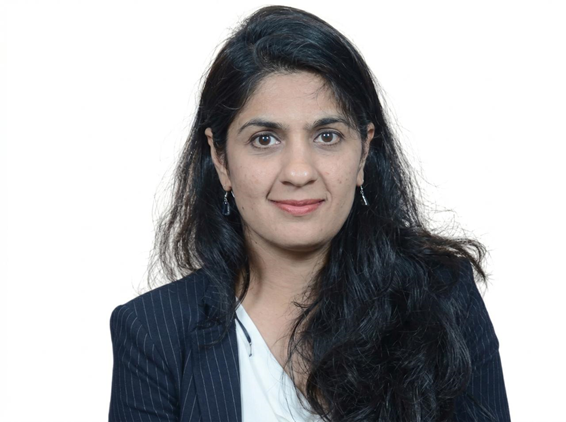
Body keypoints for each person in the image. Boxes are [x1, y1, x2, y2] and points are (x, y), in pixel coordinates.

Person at [108, 5, 511, 422]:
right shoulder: (152, 332)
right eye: (265, 139)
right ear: (221, 159)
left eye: (327, 136)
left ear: (364, 152)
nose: (299, 172)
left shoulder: (444, 298)